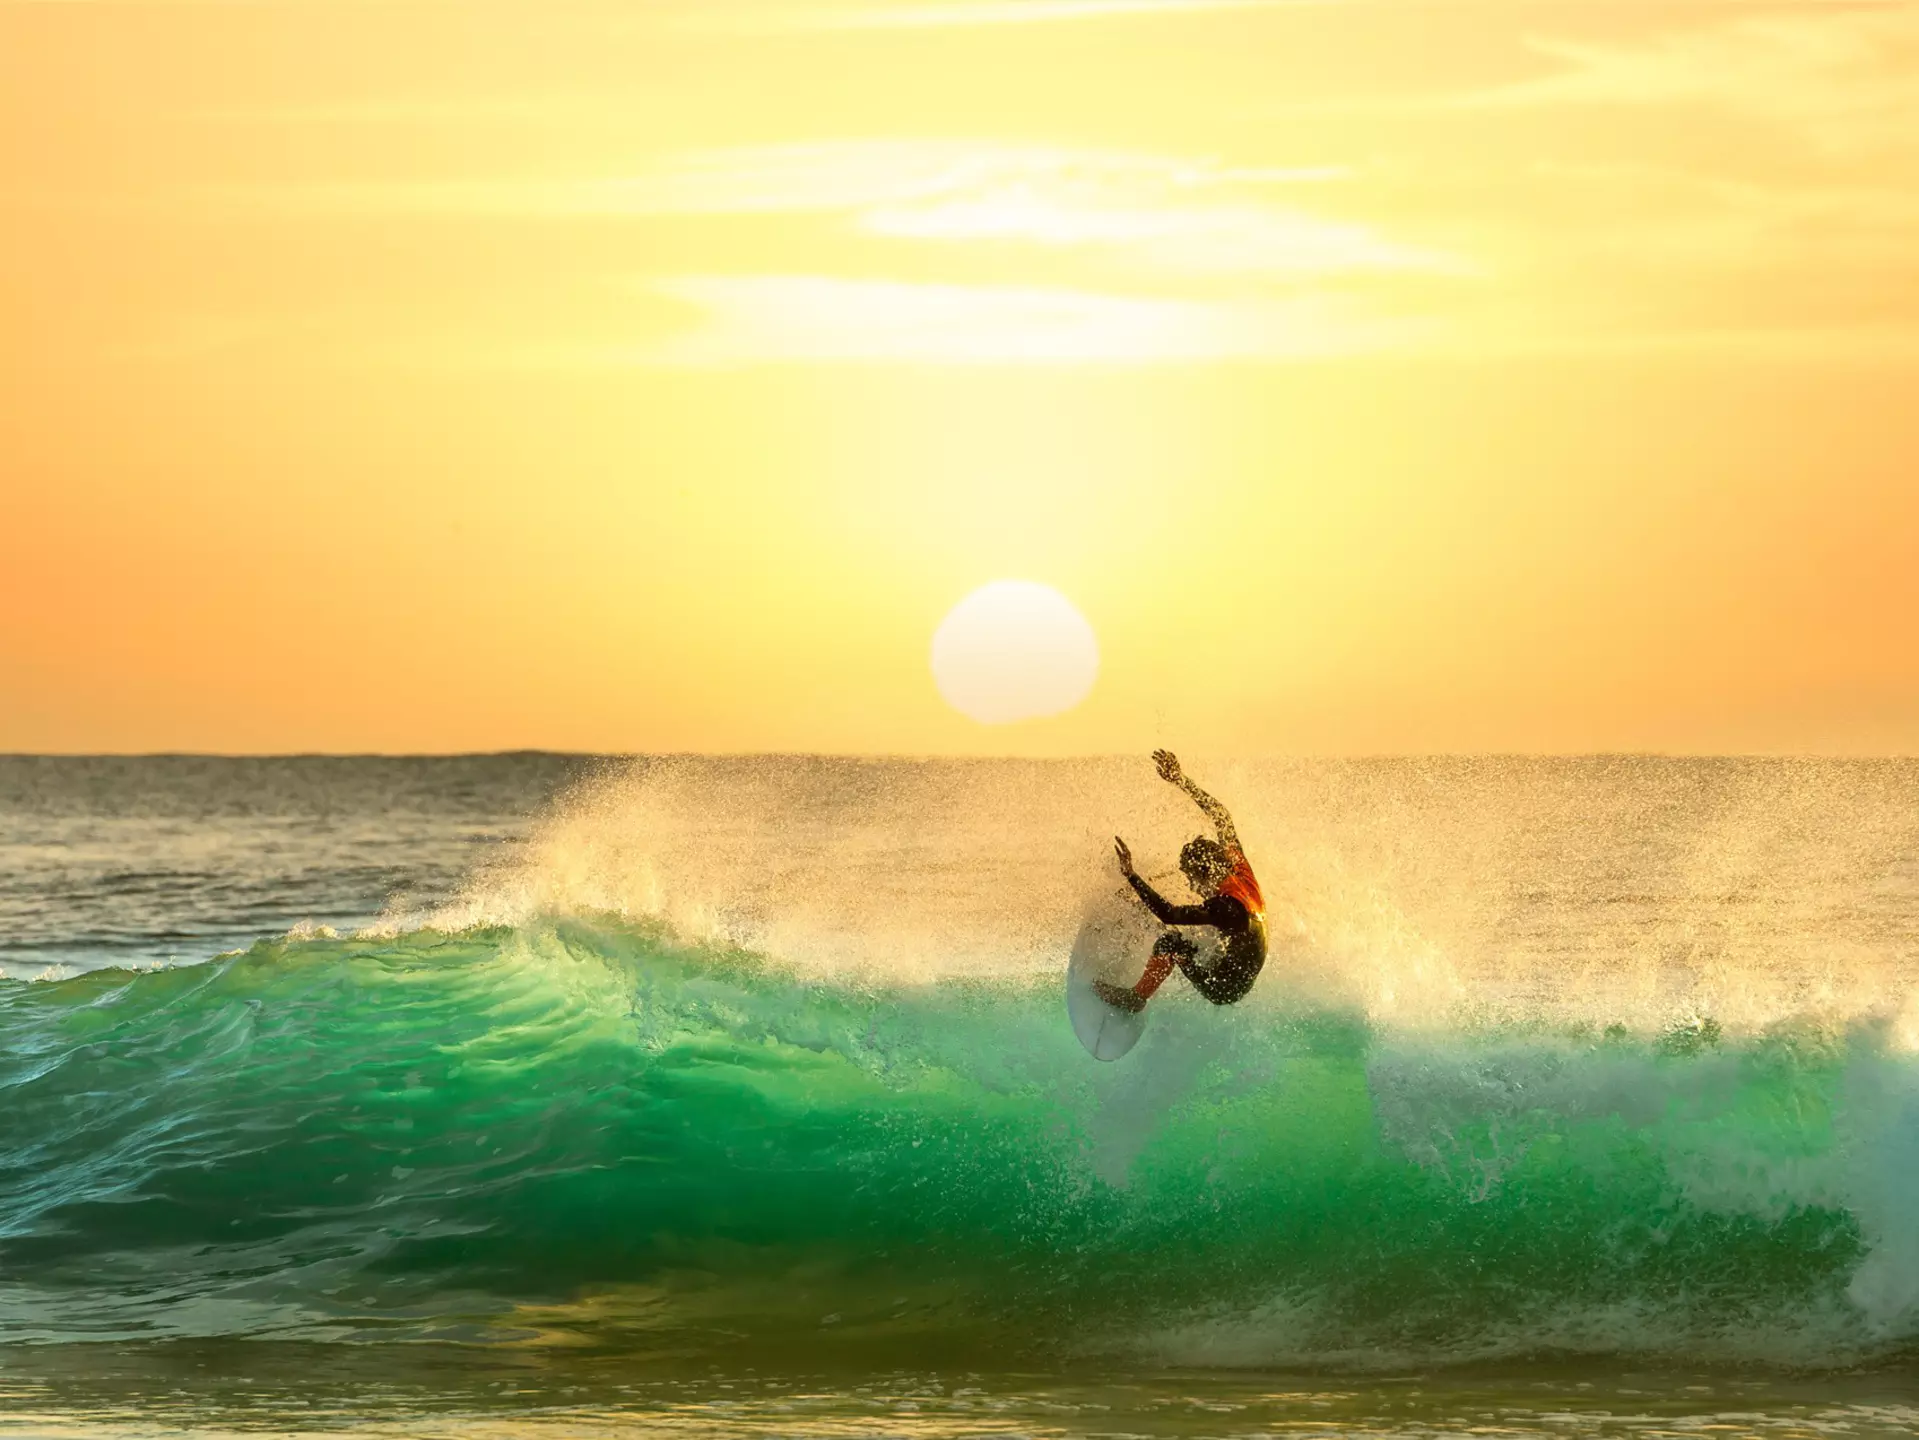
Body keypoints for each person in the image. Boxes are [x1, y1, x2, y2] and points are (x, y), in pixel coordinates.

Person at [1096, 750, 1267, 1012]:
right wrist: (1180, 780)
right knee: (1185, 926)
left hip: (1224, 986)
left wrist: (1131, 875)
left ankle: (1136, 998)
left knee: (1170, 941)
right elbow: (1221, 815)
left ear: (1205, 873)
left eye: (1191, 878)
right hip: (1234, 966)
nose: (1190, 885)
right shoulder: (1240, 869)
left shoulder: (1226, 907)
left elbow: (1169, 913)